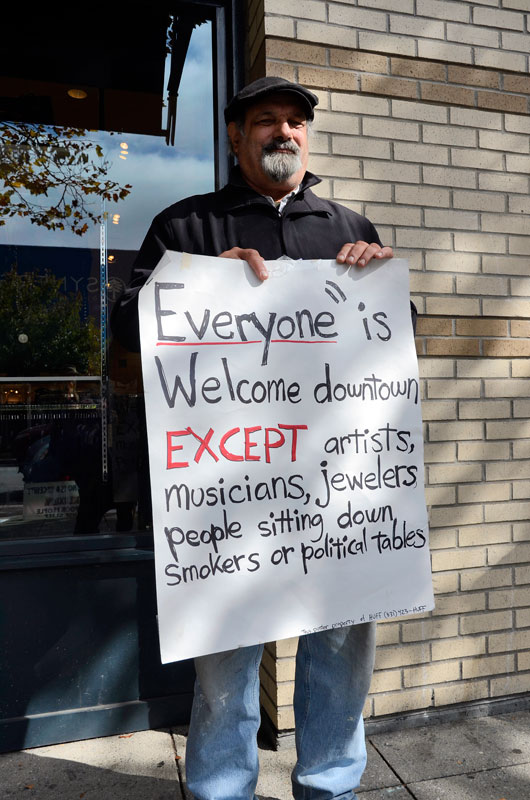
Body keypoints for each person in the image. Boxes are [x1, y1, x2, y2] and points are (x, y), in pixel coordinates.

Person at [112, 76, 400, 800]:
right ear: (237, 136)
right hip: (229, 504)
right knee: (226, 672)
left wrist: (384, 283)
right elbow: (126, 331)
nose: (283, 132)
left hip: (338, 504)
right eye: (266, 121)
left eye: (295, 121)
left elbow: (394, 348)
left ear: (307, 135)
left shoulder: (347, 225)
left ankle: (331, 788)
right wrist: (199, 284)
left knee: (339, 661)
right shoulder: (186, 226)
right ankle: (220, 790)